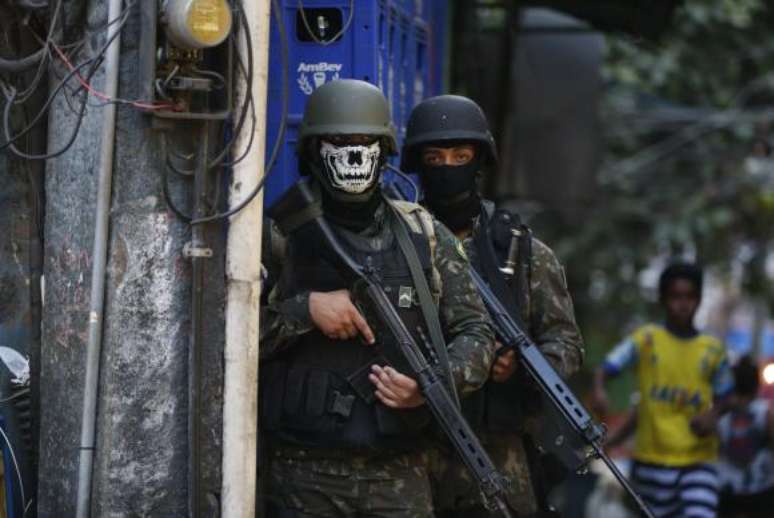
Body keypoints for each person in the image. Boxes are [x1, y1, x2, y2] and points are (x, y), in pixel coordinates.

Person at [259, 80, 496, 517]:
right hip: (300, 473)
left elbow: (476, 333)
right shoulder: (277, 235)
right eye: (341, 143)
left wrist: (431, 387)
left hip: (399, 471)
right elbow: (230, 342)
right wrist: (304, 310)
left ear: (384, 151)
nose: (354, 154)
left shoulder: (423, 234)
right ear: (314, 151)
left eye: (365, 143)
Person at [402, 94, 585, 517]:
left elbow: (566, 343)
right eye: (435, 156)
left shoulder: (522, 254)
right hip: (415, 450)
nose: (448, 167)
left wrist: (521, 367)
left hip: (499, 451)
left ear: (479, 161)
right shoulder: (399, 244)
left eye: (460, 156)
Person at [591, 262, 734, 518]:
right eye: (676, 296)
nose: (683, 304)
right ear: (663, 299)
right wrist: (600, 390)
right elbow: (608, 367)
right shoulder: (646, 340)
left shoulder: (713, 350)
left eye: (690, 296)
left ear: (699, 300)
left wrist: (713, 416)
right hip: (650, 463)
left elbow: (727, 397)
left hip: (697, 461)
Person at [716, 355, 774, 518]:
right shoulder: (765, 412)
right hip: (760, 489)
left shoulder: (722, 413)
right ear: (756, 386)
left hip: (728, 489)